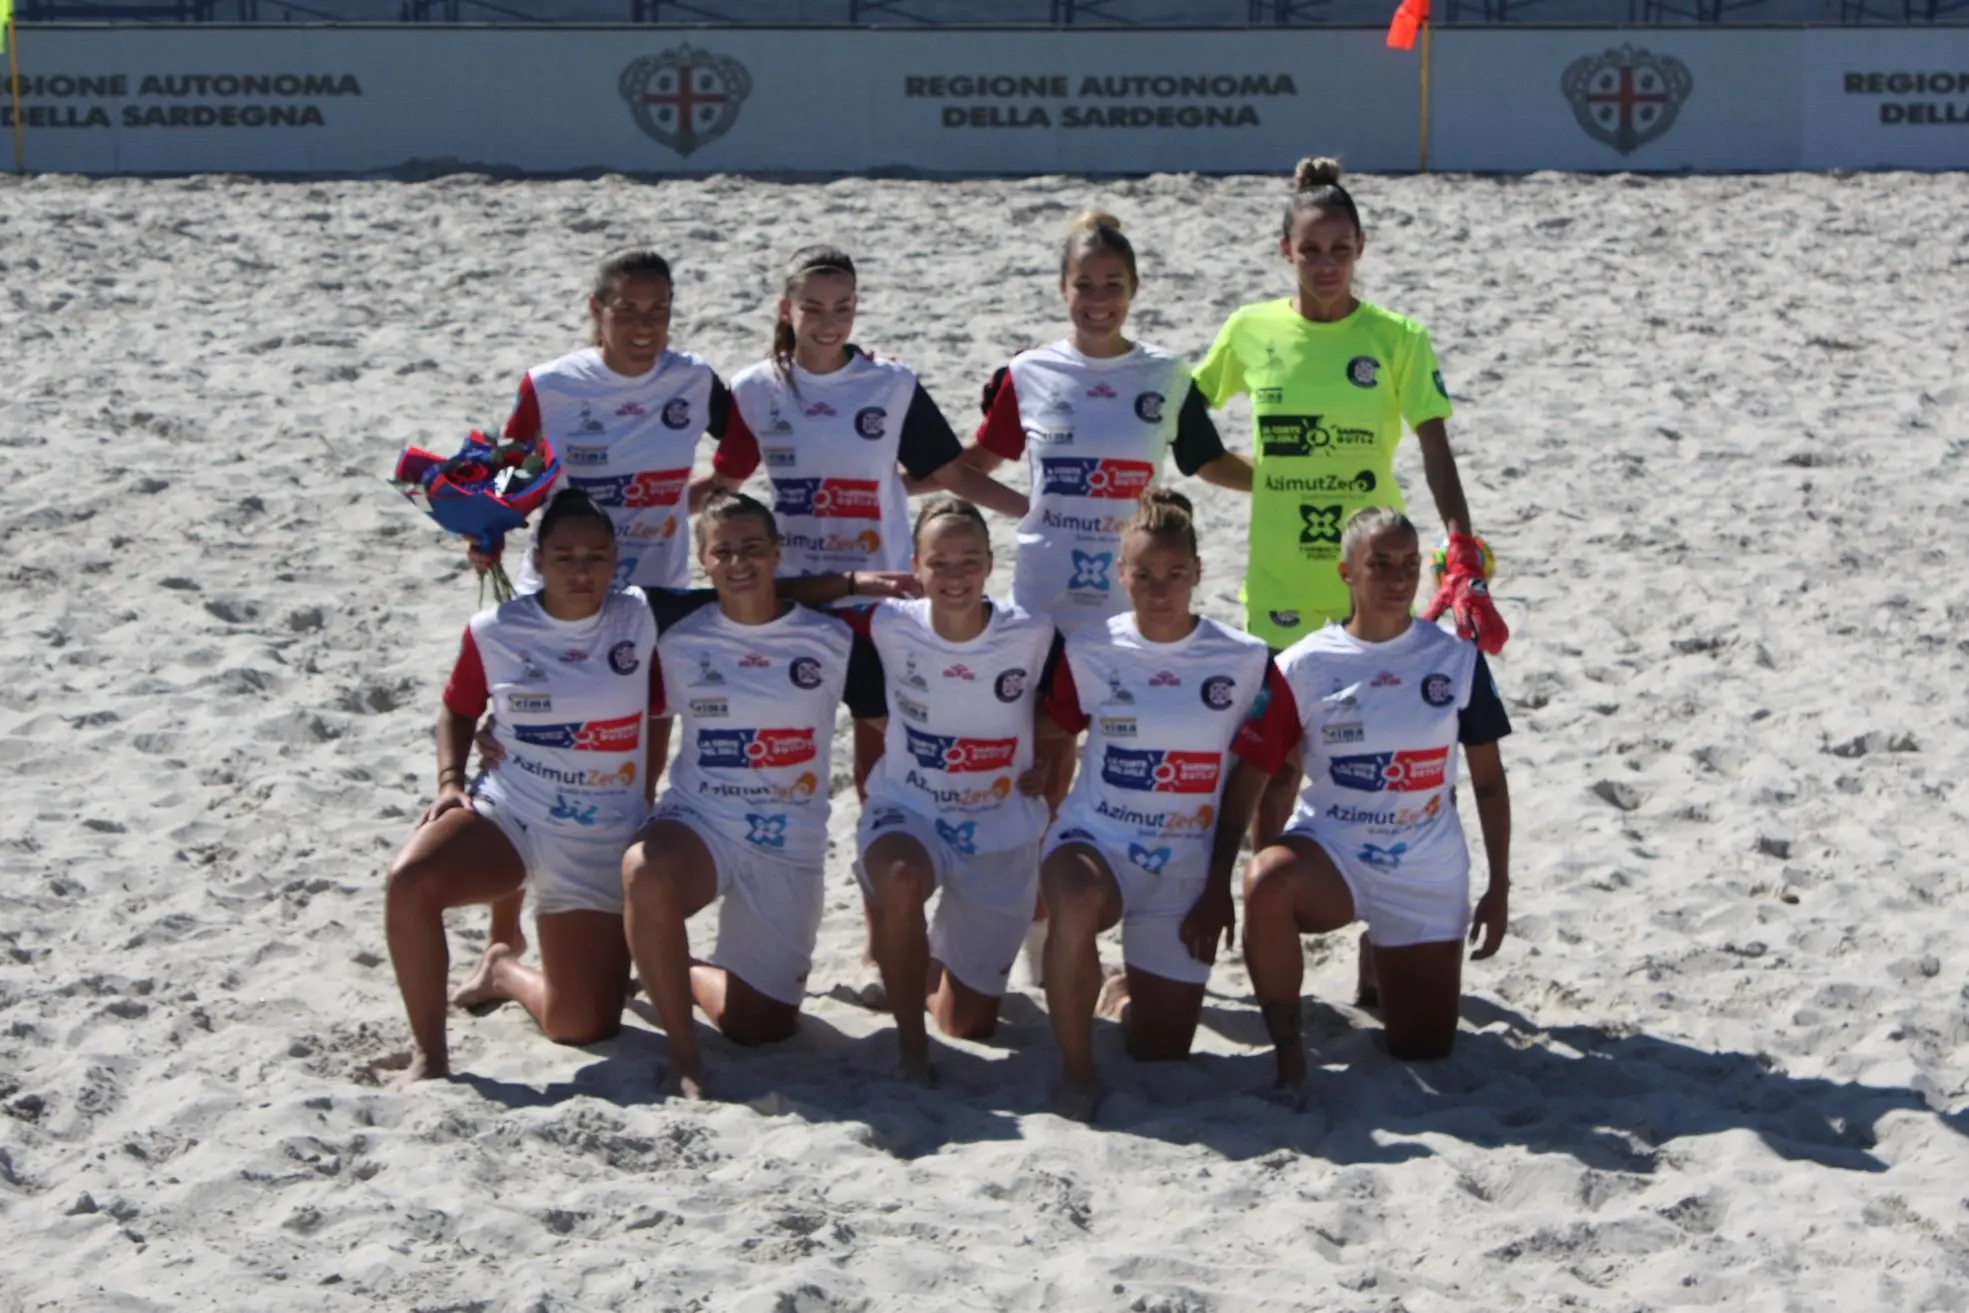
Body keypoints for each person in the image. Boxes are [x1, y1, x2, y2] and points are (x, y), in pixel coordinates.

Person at [1192, 157, 1509, 842]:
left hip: (1372, 587)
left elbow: (1433, 447)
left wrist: (1460, 545)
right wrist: (1269, 475)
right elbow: (1182, 420)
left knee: (1377, 758)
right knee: (1273, 768)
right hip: (1278, 583)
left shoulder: (1396, 337)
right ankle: (1264, 893)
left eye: (1339, 249)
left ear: (1360, 248)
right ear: (1285, 251)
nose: (1325, 263)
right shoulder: (1250, 330)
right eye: (1309, 250)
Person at [473, 248, 755, 954]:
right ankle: (503, 934)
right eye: (626, 309)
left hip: (650, 599)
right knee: (520, 757)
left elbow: (745, 451)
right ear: (595, 309)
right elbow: (511, 471)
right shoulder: (553, 383)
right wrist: (485, 533)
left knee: (641, 760)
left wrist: (699, 493)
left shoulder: (692, 379)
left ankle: (628, 918)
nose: (642, 323)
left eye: (656, 309)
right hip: (560, 598)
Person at [960, 210, 1254, 826]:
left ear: (1135, 288)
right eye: (1084, 285)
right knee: (1047, 753)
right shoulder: (1028, 373)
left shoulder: (1168, 376)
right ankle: (1042, 910)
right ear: (1062, 289)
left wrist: (1291, 481)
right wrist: (901, 476)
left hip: (1137, 600)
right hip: (1047, 595)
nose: (1098, 300)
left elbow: (1208, 461)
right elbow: (974, 464)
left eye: (1112, 285)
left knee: (1129, 748)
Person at [705, 244, 1030, 791]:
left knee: (879, 763)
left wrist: (1038, 513)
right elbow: (723, 487)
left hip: (882, 597)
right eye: (814, 307)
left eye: (843, 307)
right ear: (787, 310)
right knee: (781, 754)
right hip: (795, 596)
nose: (829, 322)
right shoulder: (754, 389)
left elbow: (952, 473)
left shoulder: (890, 383)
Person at [1233, 507, 1513, 1095]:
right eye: (1379, 564)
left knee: (1424, 1049)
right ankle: (1288, 1054)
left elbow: (1488, 780)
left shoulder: (1455, 659)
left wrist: (1499, 887)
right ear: (1345, 572)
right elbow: (1277, 783)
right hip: (1334, 850)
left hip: (1425, 865)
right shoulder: (1302, 664)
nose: (1396, 578)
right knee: (1267, 882)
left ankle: (1379, 951)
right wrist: (1261, 886)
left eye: (1409, 564)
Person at [618, 490, 887, 1099]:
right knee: (646, 869)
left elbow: (893, 730)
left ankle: (672, 966)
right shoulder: (671, 625)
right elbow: (560, 618)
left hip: (787, 840)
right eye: (723, 551)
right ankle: (684, 1057)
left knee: (761, 1027)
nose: (740, 562)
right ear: (703, 561)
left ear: (777, 554)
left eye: (753, 548)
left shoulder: (833, 637)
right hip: (700, 820)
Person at [384, 489, 656, 1087]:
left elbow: (662, 709)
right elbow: (456, 710)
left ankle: (503, 967)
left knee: (580, 1025)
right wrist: (451, 783)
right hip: (513, 811)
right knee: (409, 881)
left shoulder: (643, 616)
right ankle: (430, 1057)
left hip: (600, 833)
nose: (581, 570)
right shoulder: (495, 629)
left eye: (595, 556)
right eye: (564, 557)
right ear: (539, 558)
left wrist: (651, 789)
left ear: (616, 561)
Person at [1037, 491, 1280, 1120]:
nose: (1159, 590)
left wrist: (1221, 882)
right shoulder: (1089, 650)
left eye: (1174, 575)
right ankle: (1077, 1073)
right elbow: (1053, 735)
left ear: (1198, 572)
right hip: (1098, 843)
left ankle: (1118, 993)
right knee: (1075, 900)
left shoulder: (1246, 661)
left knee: (1161, 1049)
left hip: (1185, 867)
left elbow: (1259, 771)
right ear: (1121, 576)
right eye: (1142, 575)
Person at [847, 498, 1058, 1083]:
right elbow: (779, 603)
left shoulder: (1034, 633)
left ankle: (929, 958)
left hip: (999, 824)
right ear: (915, 566)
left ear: (991, 564)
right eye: (940, 563)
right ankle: (910, 1047)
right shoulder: (886, 624)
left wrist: (1041, 761)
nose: (956, 576)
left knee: (969, 1026)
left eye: (969, 561)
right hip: (909, 809)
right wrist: (848, 580)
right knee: (898, 878)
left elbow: (1065, 711)